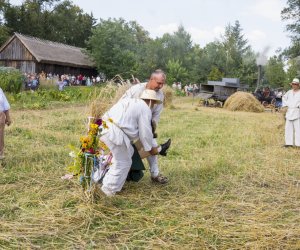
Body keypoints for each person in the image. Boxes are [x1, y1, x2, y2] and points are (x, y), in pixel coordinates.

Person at [100, 89, 171, 196]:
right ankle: (107, 192)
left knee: (128, 154)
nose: (154, 106)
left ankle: (107, 187)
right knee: (123, 162)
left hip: (103, 127)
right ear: (151, 101)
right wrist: (154, 149)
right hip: (114, 133)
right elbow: (145, 134)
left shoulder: (129, 101)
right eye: (154, 103)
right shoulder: (145, 108)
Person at [120, 69, 170, 184]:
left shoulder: (160, 95)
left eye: (163, 83)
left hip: (145, 124)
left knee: (151, 143)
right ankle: (124, 174)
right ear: (152, 79)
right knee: (126, 151)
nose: (161, 86)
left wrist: (151, 129)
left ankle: (155, 174)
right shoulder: (135, 90)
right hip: (127, 124)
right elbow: (122, 105)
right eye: (159, 83)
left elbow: (155, 115)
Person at [282, 78, 300, 147]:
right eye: (293, 84)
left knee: (298, 129)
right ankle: (289, 143)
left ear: (298, 85)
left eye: (295, 84)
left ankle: (298, 144)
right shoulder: (289, 92)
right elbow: (283, 98)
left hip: (297, 112)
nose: (294, 85)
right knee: (288, 128)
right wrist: (286, 105)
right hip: (289, 112)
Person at [0, 88, 12, 159]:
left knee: (0, 134)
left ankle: (1, 152)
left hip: (0, 116)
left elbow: (4, 103)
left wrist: (7, 116)